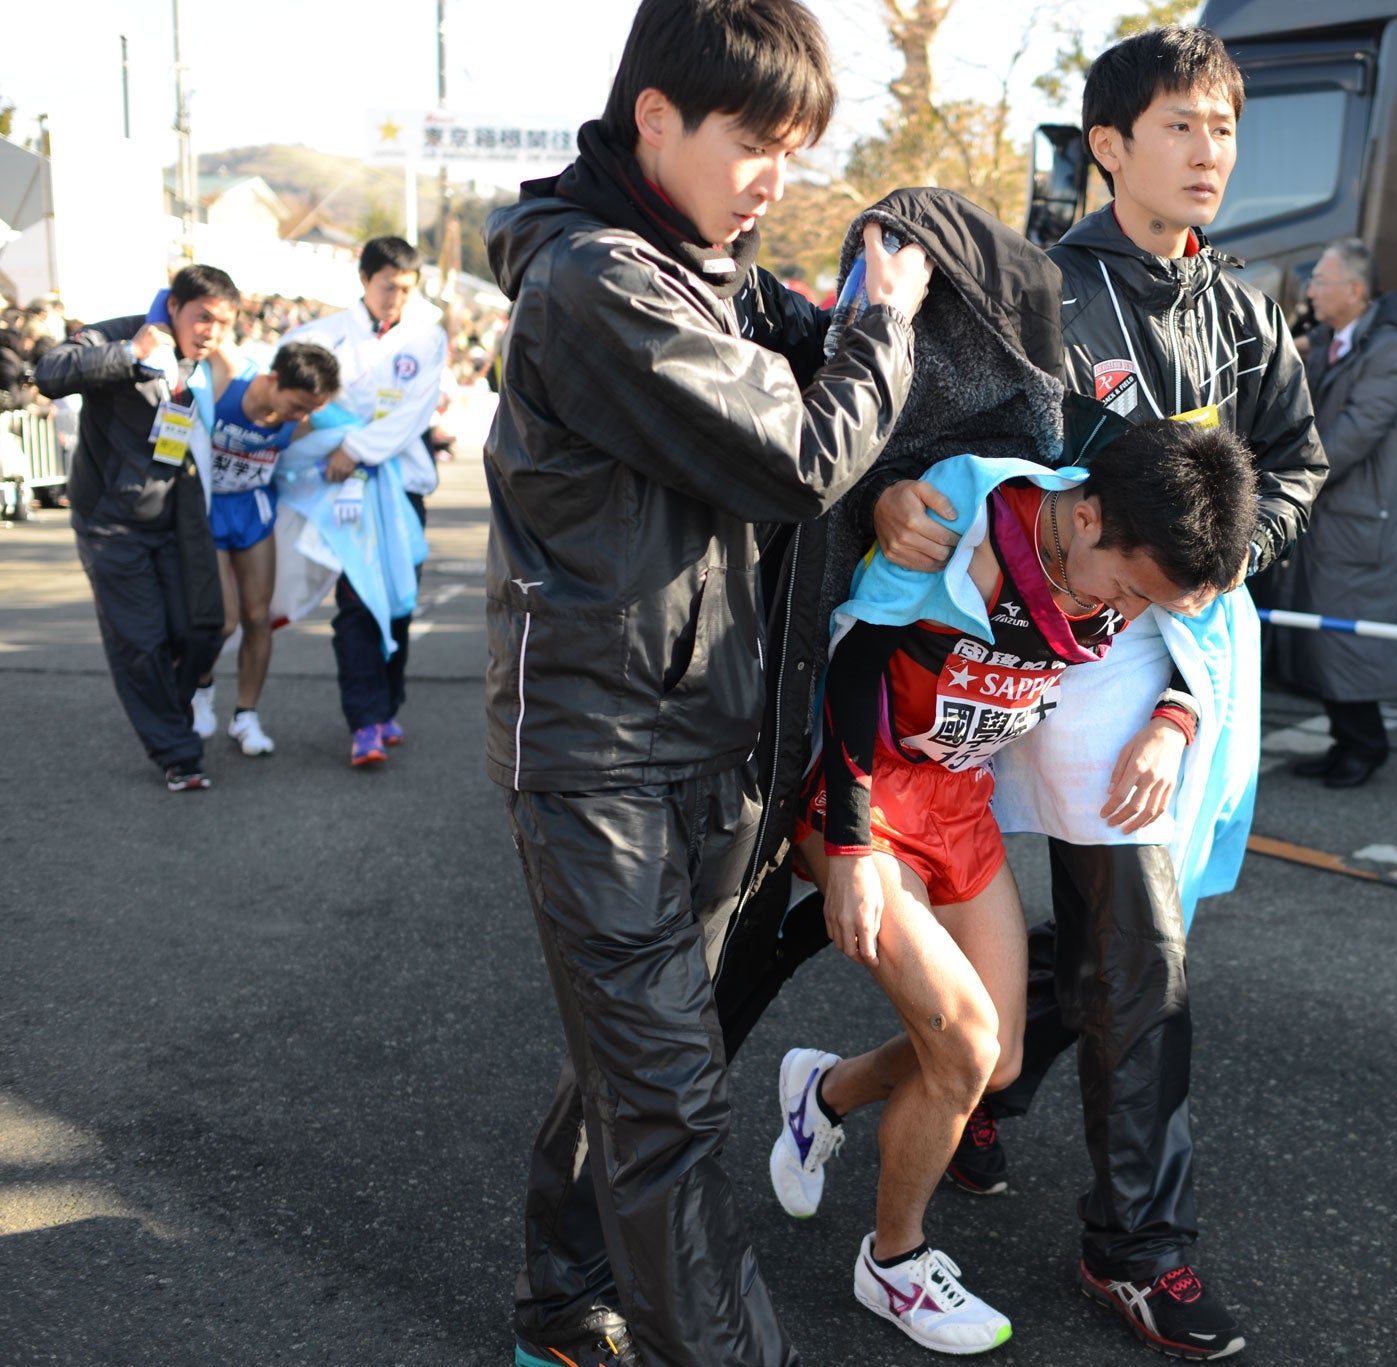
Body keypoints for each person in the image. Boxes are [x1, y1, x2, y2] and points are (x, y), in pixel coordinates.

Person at [481, 0, 930, 1362]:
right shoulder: (598, 282)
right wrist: (883, 321)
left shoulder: (707, 271)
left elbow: (835, 442)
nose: (775, 180)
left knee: (639, 1058)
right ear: (655, 119)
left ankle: (564, 1299)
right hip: (599, 754)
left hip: (713, 740)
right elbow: (800, 450)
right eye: (755, 143)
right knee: (670, 1091)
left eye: (795, 148)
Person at [868, 24, 1325, 1362]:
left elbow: (1292, 459)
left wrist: (1212, 572)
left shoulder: (1245, 307)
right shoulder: (1041, 292)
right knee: (1144, 942)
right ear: (1109, 146)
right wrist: (896, 495)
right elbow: (930, 442)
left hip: (1180, 647)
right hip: (1049, 639)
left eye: (1224, 128)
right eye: (1180, 126)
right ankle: (1135, 1248)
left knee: (1130, 930)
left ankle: (976, 1088)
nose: (1208, 152)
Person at [770, 423, 1256, 1356]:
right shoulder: (967, 513)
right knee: (962, 1049)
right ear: (1084, 517)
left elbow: (1205, 616)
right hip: (866, 786)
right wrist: (849, 840)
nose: (1125, 615)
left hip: (961, 800)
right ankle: (895, 1262)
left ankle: (823, 1092)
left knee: (991, 1063)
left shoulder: (1131, 547)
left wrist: (1176, 711)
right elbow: (857, 660)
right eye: (1126, 588)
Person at [34, 265, 237, 790]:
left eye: (223, 322)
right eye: (203, 318)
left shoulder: (208, 358)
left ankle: (170, 715)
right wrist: (129, 355)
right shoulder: (120, 334)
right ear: (174, 306)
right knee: (140, 641)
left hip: (177, 515)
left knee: (201, 626)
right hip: (111, 523)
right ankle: (178, 752)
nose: (211, 331)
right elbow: (48, 372)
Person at [281, 236, 446, 765]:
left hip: (402, 486)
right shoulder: (320, 336)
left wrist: (356, 446)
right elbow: (298, 394)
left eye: (405, 289)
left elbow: (414, 413)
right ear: (363, 280)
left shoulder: (426, 336)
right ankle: (365, 721)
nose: (395, 298)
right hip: (344, 491)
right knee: (356, 605)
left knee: (398, 600)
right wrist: (339, 448)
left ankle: (387, 704)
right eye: (386, 287)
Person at [1275, 239, 1397, 787]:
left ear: (1355, 292)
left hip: (1360, 522)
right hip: (1335, 518)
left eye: (1321, 282)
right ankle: (1345, 741)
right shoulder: (1339, 344)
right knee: (1325, 632)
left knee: (1348, 636)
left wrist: (1291, 472)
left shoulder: (1388, 353)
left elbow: (1350, 437)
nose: (1310, 290)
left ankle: (1366, 745)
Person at [189, 341, 344, 756]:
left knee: (259, 616)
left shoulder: (305, 414)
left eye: (309, 410)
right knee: (223, 620)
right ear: (273, 379)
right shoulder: (225, 384)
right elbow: (207, 331)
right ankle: (200, 690)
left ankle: (246, 716)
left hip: (253, 509)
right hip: (208, 510)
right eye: (296, 406)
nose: (301, 418)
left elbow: (355, 425)